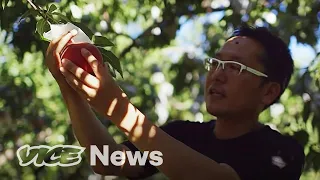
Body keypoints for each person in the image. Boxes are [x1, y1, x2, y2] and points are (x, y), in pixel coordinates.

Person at [45, 25, 305, 180]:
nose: (217, 73)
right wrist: (69, 88)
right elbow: (109, 160)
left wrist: (117, 106)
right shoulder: (183, 134)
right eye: (216, 62)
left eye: (234, 66)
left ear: (269, 92)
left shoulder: (282, 153)